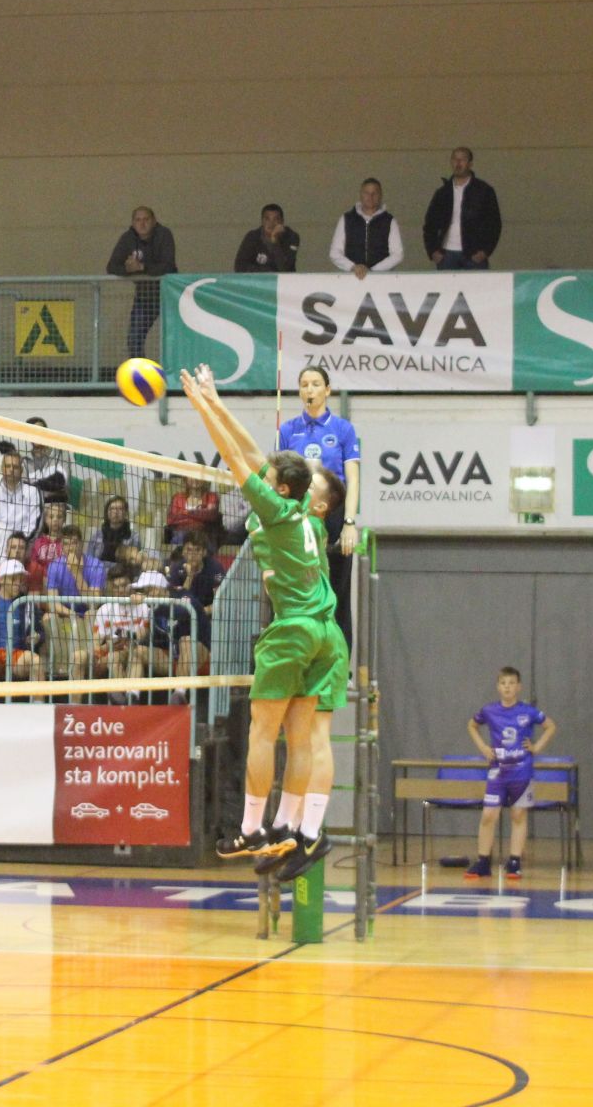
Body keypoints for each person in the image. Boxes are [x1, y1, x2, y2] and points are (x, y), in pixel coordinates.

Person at [181, 365, 347, 882]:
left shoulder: (275, 510)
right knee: (302, 740)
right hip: (325, 633)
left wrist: (200, 407)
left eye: (271, 478)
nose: (264, 475)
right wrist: (216, 399)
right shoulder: (311, 518)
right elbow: (256, 455)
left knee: (263, 733)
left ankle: (253, 829)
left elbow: (237, 459)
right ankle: (293, 830)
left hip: (294, 629)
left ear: (283, 488)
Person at [277, 365, 363, 640]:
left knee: (337, 592)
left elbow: (353, 479)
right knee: (300, 589)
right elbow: (280, 481)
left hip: (333, 516)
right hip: (299, 516)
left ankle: (340, 658)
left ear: (327, 390)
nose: (309, 390)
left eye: (315, 384)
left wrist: (349, 523)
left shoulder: (343, 429)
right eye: (304, 385)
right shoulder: (288, 430)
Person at [464, 667, 556, 881]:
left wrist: (536, 747)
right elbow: (471, 725)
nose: (507, 687)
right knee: (489, 815)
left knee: (518, 815)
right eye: (503, 683)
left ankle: (514, 862)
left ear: (518, 687)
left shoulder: (528, 711)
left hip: (521, 771)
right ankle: (483, 861)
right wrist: (483, 748)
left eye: (511, 683)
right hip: (498, 771)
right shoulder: (489, 710)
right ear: (498, 687)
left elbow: (550, 726)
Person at [107, 205, 179, 358]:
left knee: (174, 337)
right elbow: (111, 266)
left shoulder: (164, 235)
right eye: (138, 220)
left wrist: (142, 267)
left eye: (146, 219)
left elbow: (168, 266)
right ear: (133, 223)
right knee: (134, 339)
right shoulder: (127, 238)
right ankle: (140, 372)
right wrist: (128, 269)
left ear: (154, 221)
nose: (142, 224)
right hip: (145, 297)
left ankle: (176, 371)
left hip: (169, 295)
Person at [422, 147, 503, 270]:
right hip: (446, 255)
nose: (458, 163)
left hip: (474, 255)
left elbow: (494, 224)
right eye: (455, 159)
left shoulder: (484, 191)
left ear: (470, 163)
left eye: (463, 159)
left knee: (477, 283)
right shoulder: (442, 193)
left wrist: (485, 251)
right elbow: (430, 224)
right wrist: (433, 251)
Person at [0, 560, 43, 683]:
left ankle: (40, 697)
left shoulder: (27, 603)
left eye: (20, 580)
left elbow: (40, 631)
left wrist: (37, 636)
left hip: (17, 656)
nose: (17, 583)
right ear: (1, 580)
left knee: (36, 661)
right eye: (13, 579)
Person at [165, 531, 221, 677]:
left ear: (204, 552)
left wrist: (198, 612)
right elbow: (178, 603)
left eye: (197, 550)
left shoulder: (215, 569)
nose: (193, 555)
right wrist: (190, 576)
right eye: (189, 550)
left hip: (206, 625)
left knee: (188, 643)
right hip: (182, 625)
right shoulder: (176, 569)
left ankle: (179, 689)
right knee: (186, 641)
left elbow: (220, 602)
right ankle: (181, 689)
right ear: (183, 551)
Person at [327, 177, 404, 279]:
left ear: (380, 195)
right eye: (366, 193)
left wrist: (372, 271)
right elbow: (335, 252)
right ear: (361, 194)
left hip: (382, 279)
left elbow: (397, 254)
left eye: (374, 193)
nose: (370, 197)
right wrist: (353, 267)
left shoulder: (390, 221)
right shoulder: (346, 219)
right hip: (350, 278)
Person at [45, 525, 107, 606]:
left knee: (93, 612)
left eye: (74, 543)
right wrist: (72, 613)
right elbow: (53, 604)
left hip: (88, 611)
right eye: (66, 544)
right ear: (62, 547)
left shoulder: (96, 565)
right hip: (64, 612)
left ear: (81, 544)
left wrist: (76, 572)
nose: (70, 548)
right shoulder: (54, 566)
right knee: (48, 614)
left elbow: (94, 604)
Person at [233, 204, 300, 273]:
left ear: (282, 222)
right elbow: (240, 266)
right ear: (262, 221)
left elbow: (286, 269)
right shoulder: (252, 237)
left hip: (283, 279)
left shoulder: (292, 237)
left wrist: (275, 242)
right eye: (267, 219)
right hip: (259, 278)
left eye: (276, 219)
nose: (271, 224)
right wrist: (267, 273)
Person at [165, 475, 222, 550]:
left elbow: (211, 514)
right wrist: (199, 516)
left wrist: (186, 512)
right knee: (180, 536)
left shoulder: (212, 497)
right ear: (185, 479)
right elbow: (171, 519)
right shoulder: (177, 497)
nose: (195, 479)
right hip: (181, 533)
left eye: (198, 475)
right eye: (191, 475)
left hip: (204, 534)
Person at [0, 450, 43, 537]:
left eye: (15, 467)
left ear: (21, 470)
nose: (11, 470)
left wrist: (20, 541)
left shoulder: (32, 491)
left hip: (24, 541)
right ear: (2, 469)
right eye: (8, 466)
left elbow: (34, 524)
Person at [26, 499, 71, 574]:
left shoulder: (68, 542)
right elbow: (33, 564)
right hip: (41, 577)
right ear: (46, 520)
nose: (55, 520)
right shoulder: (38, 542)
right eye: (51, 517)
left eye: (59, 517)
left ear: (64, 519)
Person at [95, 493, 135, 563]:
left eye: (120, 509)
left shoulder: (133, 536)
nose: (115, 512)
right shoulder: (97, 535)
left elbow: (134, 562)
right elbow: (89, 560)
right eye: (112, 508)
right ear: (106, 512)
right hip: (98, 569)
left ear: (126, 513)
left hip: (123, 570)